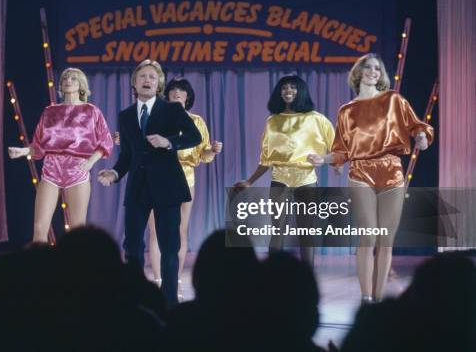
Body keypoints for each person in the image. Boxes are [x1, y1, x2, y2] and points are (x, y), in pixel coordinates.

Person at [308, 53, 433, 303]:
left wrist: (421, 136)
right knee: (368, 236)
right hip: (361, 172)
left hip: (392, 170)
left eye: (377, 68)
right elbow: (341, 151)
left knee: (386, 240)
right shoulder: (347, 111)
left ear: (381, 74)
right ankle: (366, 297)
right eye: (368, 67)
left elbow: (418, 126)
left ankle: (378, 299)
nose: (373, 71)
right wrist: (323, 159)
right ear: (359, 72)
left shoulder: (394, 100)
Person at [98, 59, 202, 307]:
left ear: (158, 85)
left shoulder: (172, 110)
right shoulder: (125, 115)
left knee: (169, 247)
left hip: (168, 186)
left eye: (152, 77)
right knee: (132, 246)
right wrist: (114, 174)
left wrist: (168, 142)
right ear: (134, 83)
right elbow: (127, 156)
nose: (147, 80)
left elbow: (194, 136)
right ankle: (134, 299)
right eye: (142, 76)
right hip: (137, 188)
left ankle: (168, 303)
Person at [234, 75, 335, 265]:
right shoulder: (273, 121)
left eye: (293, 87)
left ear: (301, 91)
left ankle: (307, 277)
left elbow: (338, 150)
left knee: (306, 230)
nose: (288, 91)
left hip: (306, 178)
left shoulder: (316, 118)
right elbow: (266, 159)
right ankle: (272, 276)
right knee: (277, 228)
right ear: (279, 93)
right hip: (280, 178)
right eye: (284, 88)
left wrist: (328, 161)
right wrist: (249, 181)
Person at [8, 67, 113, 242]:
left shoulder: (91, 111)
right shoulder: (50, 111)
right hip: (51, 169)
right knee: (40, 227)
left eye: (73, 78)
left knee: (77, 230)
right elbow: (39, 146)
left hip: (77, 169)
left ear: (81, 85)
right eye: (65, 78)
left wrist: (90, 163)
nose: (68, 81)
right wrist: (23, 151)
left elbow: (105, 142)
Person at [146, 77, 222, 288]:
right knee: (156, 230)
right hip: (158, 176)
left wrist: (212, 149)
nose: (177, 93)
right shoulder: (156, 116)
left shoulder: (196, 121)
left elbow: (203, 153)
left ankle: (174, 280)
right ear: (167, 95)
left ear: (188, 97)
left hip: (186, 177)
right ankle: (159, 279)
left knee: (180, 229)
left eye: (182, 90)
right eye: (173, 90)